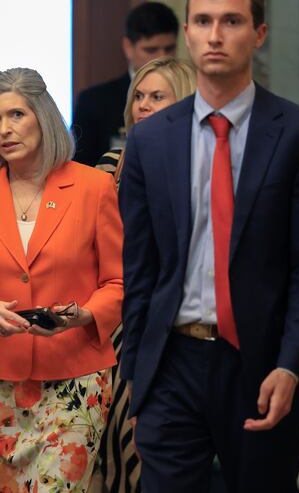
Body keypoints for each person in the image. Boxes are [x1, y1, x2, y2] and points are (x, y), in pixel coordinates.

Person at [118, 0, 299, 493]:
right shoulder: (151, 142)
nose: (215, 35)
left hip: (260, 364)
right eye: (203, 20)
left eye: (232, 20)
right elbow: (140, 264)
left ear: (258, 33)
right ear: (188, 32)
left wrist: (291, 367)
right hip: (170, 363)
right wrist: (134, 373)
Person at [0, 68, 123, 492]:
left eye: (16, 114)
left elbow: (118, 282)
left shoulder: (93, 187)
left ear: (42, 115)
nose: (4, 129)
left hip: (76, 380)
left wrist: (85, 314)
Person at [93, 56, 196, 493]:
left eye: (158, 96)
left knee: (144, 447)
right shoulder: (108, 165)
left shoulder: (198, 169)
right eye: (139, 96)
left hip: (160, 321)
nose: (144, 106)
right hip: (105, 318)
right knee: (105, 448)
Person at [72, 1, 179, 167]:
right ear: (128, 47)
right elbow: (80, 170)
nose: (162, 57)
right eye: (151, 50)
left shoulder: (190, 95)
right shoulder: (94, 102)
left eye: (169, 49)